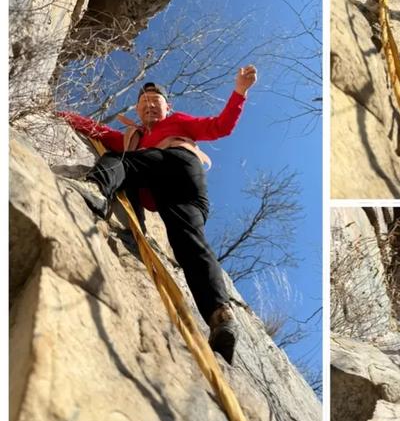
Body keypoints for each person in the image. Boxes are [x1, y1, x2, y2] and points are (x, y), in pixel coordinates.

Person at [58, 67, 258, 364]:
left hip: (180, 165)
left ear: (168, 107)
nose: (149, 105)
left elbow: (219, 127)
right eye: (144, 102)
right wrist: (62, 115)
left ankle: (97, 191)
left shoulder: (177, 122)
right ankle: (220, 317)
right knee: (187, 243)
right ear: (138, 110)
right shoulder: (133, 138)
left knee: (120, 161)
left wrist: (239, 92)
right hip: (177, 198)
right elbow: (97, 131)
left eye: (156, 101)